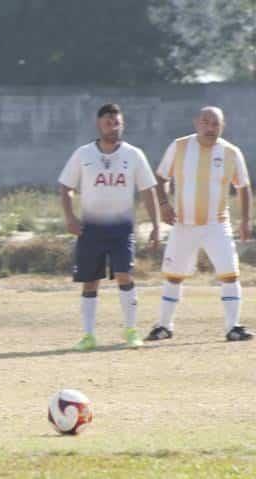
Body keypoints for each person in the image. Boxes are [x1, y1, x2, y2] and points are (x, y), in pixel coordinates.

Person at [146, 106, 253, 342]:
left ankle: (233, 327)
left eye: (215, 124)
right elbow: (161, 177)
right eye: (206, 122)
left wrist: (246, 220)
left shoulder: (231, 152)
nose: (210, 128)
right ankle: (164, 326)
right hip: (184, 223)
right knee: (174, 276)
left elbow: (244, 188)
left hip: (217, 224)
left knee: (230, 275)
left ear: (222, 127)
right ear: (197, 123)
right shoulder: (180, 146)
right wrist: (164, 204)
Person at [59, 103, 160, 351]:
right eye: (107, 122)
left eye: (116, 122)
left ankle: (131, 330)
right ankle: (88, 335)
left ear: (122, 125)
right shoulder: (83, 154)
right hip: (91, 229)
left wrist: (156, 225)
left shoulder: (134, 155)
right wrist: (70, 217)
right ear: (99, 124)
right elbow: (65, 187)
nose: (112, 126)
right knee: (90, 281)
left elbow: (148, 191)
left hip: (121, 230)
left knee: (125, 275)